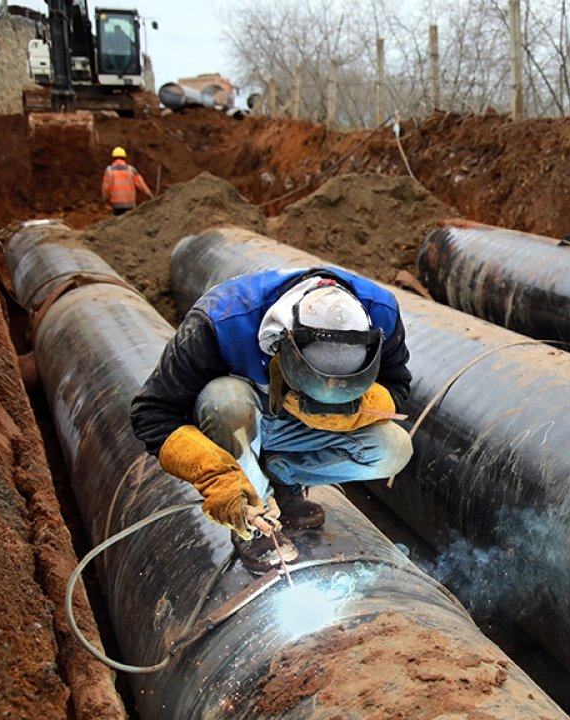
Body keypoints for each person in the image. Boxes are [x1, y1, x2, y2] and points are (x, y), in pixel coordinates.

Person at [129, 268, 414, 572]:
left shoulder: (381, 312)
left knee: (394, 448)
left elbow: (398, 386)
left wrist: (352, 409)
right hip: (236, 426)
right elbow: (151, 413)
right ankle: (253, 516)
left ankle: (281, 478)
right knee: (225, 398)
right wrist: (214, 475)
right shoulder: (221, 321)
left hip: (296, 429)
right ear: (280, 344)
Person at [101, 147, 152, 215]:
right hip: (130, 204)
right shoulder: (131, 169)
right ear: (125, 158)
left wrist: (105, 200)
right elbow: (141, 184)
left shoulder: (109, 170)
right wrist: (149, 194)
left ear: (113, 158)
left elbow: (105, 187)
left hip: (116, 204)